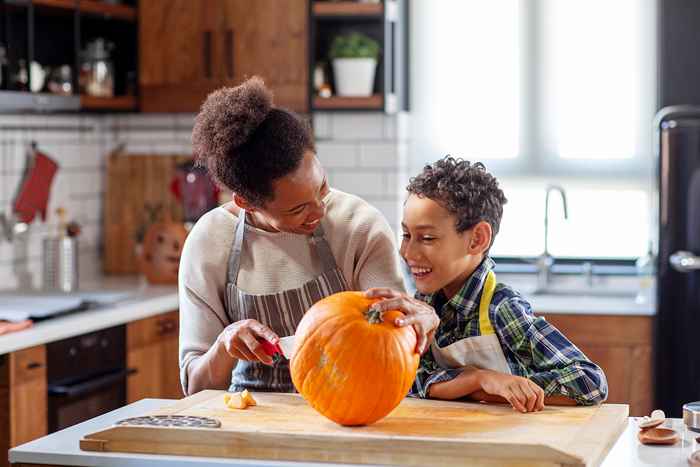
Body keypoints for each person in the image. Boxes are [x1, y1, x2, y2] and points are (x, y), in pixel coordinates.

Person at [178, 77, 437, 396]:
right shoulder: (209, 242)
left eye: (322, 188)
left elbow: (394, 344)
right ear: (245, 202)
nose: (320, 211)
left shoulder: (359, 226)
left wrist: (418, 319)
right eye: (298, 208)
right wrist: (223, 346)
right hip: (250, 424)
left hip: (350, 413)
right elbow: (196, 388)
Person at [368, 156, 608, 412]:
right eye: (406, 235)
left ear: (477, 239)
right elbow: (406, 381)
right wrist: (478, 379)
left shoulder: (501, 306)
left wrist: (507, 387)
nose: (408, 252)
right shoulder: (425, 305)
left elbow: (590, 382)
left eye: (427, 238)